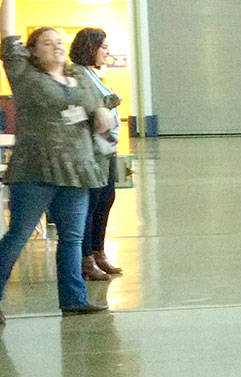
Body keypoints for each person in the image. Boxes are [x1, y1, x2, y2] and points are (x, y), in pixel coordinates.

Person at [0, 2, 116, 322]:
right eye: (47, 43)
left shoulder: (78, 75)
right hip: (35, 169)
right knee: (18, 236)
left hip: (77, 170)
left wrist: (102, 114)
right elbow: (7, 35)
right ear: (33, 52)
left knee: (73, 238)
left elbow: (98, 108)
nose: (56, 47)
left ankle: (74, 299)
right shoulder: (24, 74)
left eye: (59, 42)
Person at [69, 27, 122, 281]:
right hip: (92, 151)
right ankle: (86, 258)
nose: (107, 52)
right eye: (103, 47)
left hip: (106, 149)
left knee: (106, 199)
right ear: (90, 49)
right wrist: (109, 103)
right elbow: (86, 108)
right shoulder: (77, 74)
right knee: (91, 204)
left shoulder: (92, 74)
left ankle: (99, 252)